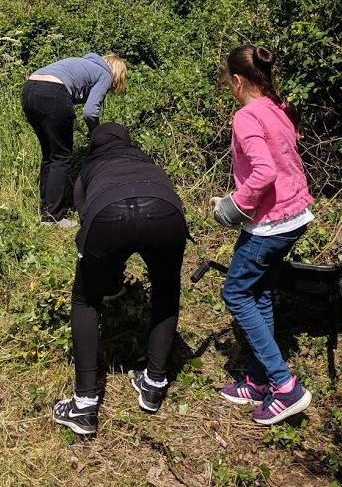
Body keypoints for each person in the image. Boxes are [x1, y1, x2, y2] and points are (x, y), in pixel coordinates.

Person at [53, 123, 188, 436]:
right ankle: (154, 383)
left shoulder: (89, 167)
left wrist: (105, 277)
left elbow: (88, 219)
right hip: (164, 210)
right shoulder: (146, 160)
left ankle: (84, 404)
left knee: (85, 298)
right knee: (166, 290)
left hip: (106, 212)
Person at [212, 45, 314, 426]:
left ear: (238, 81)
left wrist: (234, 205)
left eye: (228, 82)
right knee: (260, 292)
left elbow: (265, 171)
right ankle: (256, 381)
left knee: (236, 293)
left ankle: (284, 385)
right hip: (294, 215)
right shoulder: (278, 107)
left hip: (270, 223)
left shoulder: (248, 116)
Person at [21, 53, 127, 228]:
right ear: (117, 74)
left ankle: (47, 212)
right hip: (53, 93)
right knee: (61, 157)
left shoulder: (85, 64)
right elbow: (90, 112)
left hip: (29, 90)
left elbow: (67, 93)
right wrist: (96, 134)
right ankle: (54, 217)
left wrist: (69, 118)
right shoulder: (105, 74)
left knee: (49, 155)